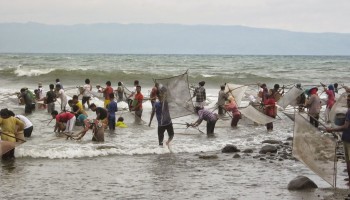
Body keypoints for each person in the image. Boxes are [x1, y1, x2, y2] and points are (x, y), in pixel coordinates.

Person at [326, 94, 350, 185]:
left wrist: (331, 129)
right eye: (347, 100)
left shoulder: (349, 112)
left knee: (348, 161)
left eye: (349, 101)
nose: (348, 102)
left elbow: (346, 126)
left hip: (348, 139)